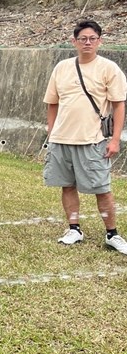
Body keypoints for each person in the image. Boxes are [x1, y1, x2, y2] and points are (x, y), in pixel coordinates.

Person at [43, 19, 127, 254]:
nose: (87, 43)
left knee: (102, 188)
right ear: (74, 42)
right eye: (83, 39)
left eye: (92, 38)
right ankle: (74, 228)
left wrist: (115, 139)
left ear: (99, 41)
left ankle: (112, 234)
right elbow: (52, 103)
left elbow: (119, 105)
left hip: (92, 139)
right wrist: (51, 131)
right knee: (67, 185)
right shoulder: (62, 67)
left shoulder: (109, 68)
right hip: (61, 139)